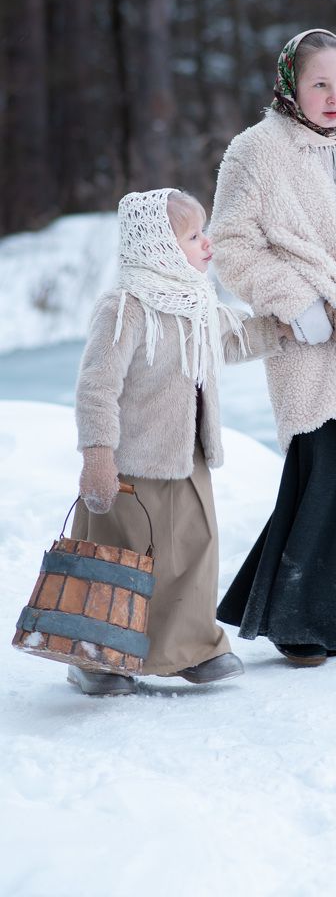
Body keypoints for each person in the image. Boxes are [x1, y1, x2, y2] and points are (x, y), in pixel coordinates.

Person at [209, 28, 336, 667]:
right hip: (311, 341)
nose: (334, 98)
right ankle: (303, 627)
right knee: (323, 472)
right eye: (319, 84)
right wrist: (298, 305)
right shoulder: (255, 152)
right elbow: (232, 244)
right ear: (290, 85)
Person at [68, 188, 292, 695]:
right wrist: (98, 457)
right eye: (193, 236)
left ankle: (189, 649)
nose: (206, 244)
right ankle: (97, 657)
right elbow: (96, 388)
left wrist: (281, 330)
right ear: (159, 247)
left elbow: (231, 338)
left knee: (194, 551)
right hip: (129, 465)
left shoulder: (196, 303)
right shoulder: (124, 309)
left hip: (187, 456)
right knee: (118, 560)